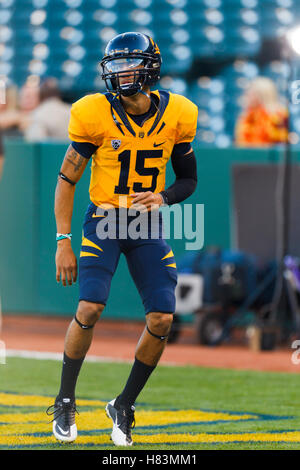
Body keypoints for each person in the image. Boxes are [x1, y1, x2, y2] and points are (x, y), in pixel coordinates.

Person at [46, 32, 198, 446]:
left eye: (128, 63)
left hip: (147, 225)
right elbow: (66, 179)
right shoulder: (93, 113)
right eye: (114, 64)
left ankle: (124, 404)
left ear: (149, 68)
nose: (118, 72)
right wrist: (63, 239)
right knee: (91, 306)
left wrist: (163, 197)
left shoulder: (179, 113)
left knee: (163, 318)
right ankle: (64, 399)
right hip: (105, 220)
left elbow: (189, 180)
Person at [235, 77, 288, 147]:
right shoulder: (247, 116)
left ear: (261, 95)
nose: (246, 96)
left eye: (250, 93)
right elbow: (241, 143)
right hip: (248, 156)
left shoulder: (278, 115)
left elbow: (280, 142)